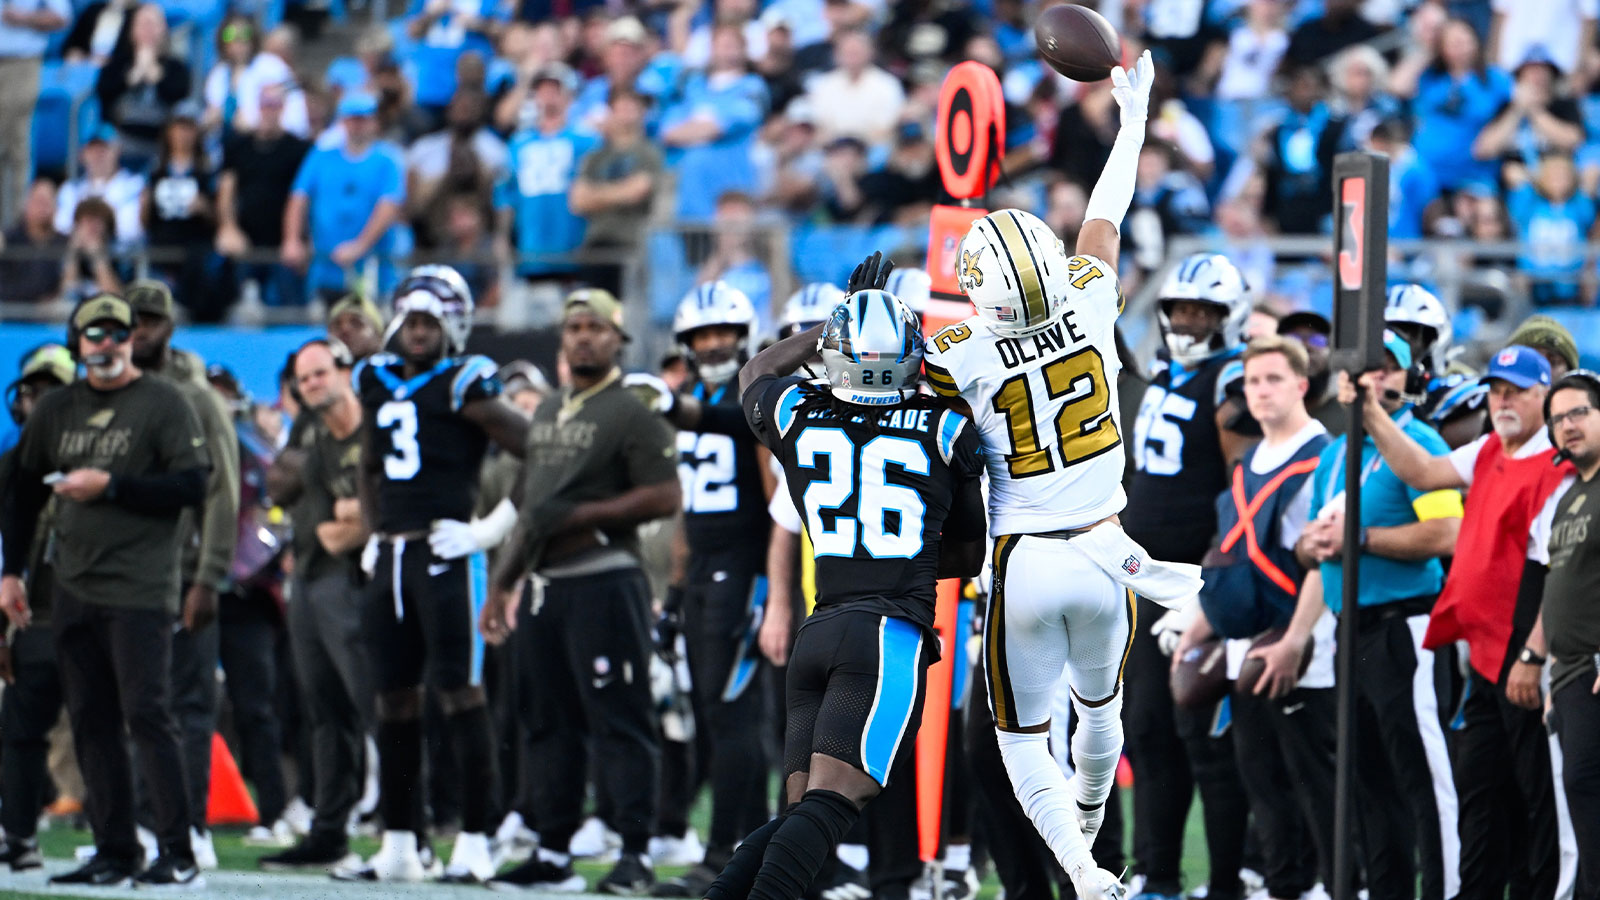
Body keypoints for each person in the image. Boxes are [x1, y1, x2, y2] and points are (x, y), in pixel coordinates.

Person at [924, 52, 1198, 900]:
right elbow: (1105, 217)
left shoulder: (958, 352)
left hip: (1024, 560)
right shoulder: (1086, 299)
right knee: (1101, 713)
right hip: (1109, 551)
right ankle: (1087, 816)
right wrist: (1134, 123)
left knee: (1019, 740)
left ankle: (1082, 868)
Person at [700, 266, 985, 900]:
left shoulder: (799, 414)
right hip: (887, 635)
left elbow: (755, 373)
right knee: (834, 803)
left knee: (801, 809)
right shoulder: (945, 426)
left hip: (819, 627)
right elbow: (967, 552)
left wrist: (833, 317)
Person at [1347, 343, 1571, 900]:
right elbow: (1422, 472)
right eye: (1497, 391)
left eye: (1517, 392)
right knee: (1481, 790)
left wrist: (1533, 654)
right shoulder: (1491, 447)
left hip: (1526, 649)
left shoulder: (1556, 465)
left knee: (1540, 794)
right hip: (1484, 653)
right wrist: (1371, 411)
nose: (1503, 402)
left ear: (1545, 395)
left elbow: (1559, 572)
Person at [0, 293, 208, 887]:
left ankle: (179, 851)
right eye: (96, 334)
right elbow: (21, 492)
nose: (108, 344)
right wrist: (11, 573)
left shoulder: (163, 402)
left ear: (132, 340)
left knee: (147, 713)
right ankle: (116, 850)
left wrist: (112, 486)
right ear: (78, 343)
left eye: (118, 333)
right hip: (73, 583)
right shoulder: (57, 408)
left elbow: (194, 484)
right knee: (90, 717)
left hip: (140, 585)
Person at [483, 288, 680, 895]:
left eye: (597, 327)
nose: (585, 337)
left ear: (619, 339)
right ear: (562, 339)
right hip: (543, 588)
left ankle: (635, 854)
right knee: (546, 724)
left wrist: (584, 515)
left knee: (621, 720)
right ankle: (552, 852)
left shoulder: (631, 409)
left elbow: (666, 495)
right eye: (574, 328)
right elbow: (532, 508)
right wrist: (501, 584)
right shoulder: (547, 410)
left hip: (604, 579)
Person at [346, 265, 528, 883]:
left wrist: (489, 529)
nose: (419, 331)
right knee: (392, 699)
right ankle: (400, 841)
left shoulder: (466, 383)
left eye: (430, 321)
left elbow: (541, 450)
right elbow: (369, 464)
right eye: (411, 320)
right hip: (392, 556)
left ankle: (475, 838)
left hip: (448, 555)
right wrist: (374, 532)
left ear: (453, 325)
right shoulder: (374, 378)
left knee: (461, 695)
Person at [1123, 249, 1258, 900]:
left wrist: (1214, 573)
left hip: (1196, 583)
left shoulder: (1231, 380)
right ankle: (1159, 876)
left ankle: (1227, 880)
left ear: (1231, 316)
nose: (1189, 321)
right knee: (1148, 729)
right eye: (1180, 309)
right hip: (1144, 582)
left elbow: (1243, 487)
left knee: (1202, 733)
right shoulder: (1164, 372)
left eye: (1204, 311)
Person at [640, 280, 776, 896]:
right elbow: (687, 514)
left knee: (732, 715)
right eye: (702, 335)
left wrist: (772, 587)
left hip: (743, 570)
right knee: (709, 715)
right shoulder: (695, 396)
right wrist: (673, 594)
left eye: (724, 332)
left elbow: (777, 503)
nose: (714, 343)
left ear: (744, 336)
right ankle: (743, 852)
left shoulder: (756, 394)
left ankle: (724, 854)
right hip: (701, 573)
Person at [124, 279, 242, 870]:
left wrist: (209, 575)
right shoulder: (115, 393)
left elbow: (224, 490)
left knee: (188, 704)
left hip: (184, 569)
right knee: (139, 703)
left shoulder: (198, 397)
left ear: (170, 328)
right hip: (128, 572)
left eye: (150, 321)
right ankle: (140, 822)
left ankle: (189, 827)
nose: (139, 331)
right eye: (132, 321)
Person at [258, 337, 373, 872]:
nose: (312, 385)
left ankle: (408, 827)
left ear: (345, 371)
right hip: (307, 570)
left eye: (321, 373)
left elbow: (366, 510)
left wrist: (345, 511)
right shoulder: (308, 426)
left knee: (379, 706)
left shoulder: (370, 424)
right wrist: (334, 502)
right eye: (303, 379)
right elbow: (279, 486)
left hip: (354, 576)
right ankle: (330, 829)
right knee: (324, 711)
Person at [0, 345, 75, 871]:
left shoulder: (102, 459)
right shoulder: (11, 466)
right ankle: (19, 836)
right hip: (33, 617)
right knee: (20, 731)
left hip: (98, 612)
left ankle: (130, 838)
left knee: (106, 728)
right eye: (35, 391)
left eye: (54, 392)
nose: (42, 403)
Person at [1540, 370, 1600, 898]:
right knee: (1580, 794)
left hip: (1597, 667)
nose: (1567, 425)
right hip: (1570, 674)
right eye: (1558, 419)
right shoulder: (1568, 497)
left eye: (1579, 412)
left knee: (1587, 784)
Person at [282, 91, 405, 303]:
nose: (357, 125)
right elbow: (298, 197)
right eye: (352, 119)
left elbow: (389, 206)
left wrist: (361, 245)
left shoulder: (388, 160)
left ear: (374, 122)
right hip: (326, 267)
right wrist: (292, 239)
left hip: (373, 269)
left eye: (363, 119)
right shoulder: (321, 157)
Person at [218, 82, 313, 310]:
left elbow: (303, 196)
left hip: (283, 246)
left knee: (289, 310)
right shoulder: (238, 145)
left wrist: (300, 239)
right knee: (235, 308)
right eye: (265, 104)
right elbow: (226, 190)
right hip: (245, 243)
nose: (270, 110)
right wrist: (228, 227)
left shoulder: (299, 149)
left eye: (275, 104)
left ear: (283, 107)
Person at [498, 63, 597, 282]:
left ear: (569, 96)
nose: (548, 97)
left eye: (555, 90)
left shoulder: (586, 140)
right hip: (530, 249)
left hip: (574, 248)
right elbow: (506, 195)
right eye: (542, 91)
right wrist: (502, 236)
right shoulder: (518, 144)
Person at [93, 3, 190, 171]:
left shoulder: (176, 67)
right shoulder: (117, 64)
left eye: (153, 24)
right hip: (122, 142)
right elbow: (104, 93)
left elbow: (180, 96)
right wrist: (130, 78)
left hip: (163, 145)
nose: (148, 30)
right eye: (143, 24)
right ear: (131, 30)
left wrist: (156, 76)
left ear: (163, 30)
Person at [0, 0, 67, 222]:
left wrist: (24, 18)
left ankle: (17, 224)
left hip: (20, 63)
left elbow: (61, 17)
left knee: (15, 143)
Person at [0, 177, 68, 305]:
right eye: (39, 201)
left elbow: (67, 287)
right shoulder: (8, 239)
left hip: (50, 312)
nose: (43, 208)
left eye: (47, 202)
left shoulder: (65, 243)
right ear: (27, 204)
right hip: (10, 308)